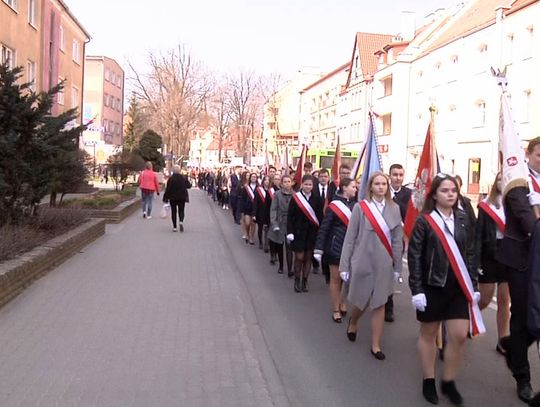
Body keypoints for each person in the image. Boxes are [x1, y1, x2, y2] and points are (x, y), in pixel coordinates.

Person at [408, 174, 478, 405]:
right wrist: (416, 289)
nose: (450, 194)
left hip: (457, 287)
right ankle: (429, 379)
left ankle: (448, 381)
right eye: (445, 190)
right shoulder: (425, 221)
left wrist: (473, 285)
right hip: (431, 286)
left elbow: (469, 254)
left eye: (453, 191)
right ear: (435, 195)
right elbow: (415, 255)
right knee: (429, 334)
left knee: (459, 335)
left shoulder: (463, 219)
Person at [341, 172, 403, 361]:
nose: (381, 187)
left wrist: (398, 268)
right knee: (362, 301)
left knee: (380, 303)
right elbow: (350, 239)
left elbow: (398, 241)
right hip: (362, 261)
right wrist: (344, 265)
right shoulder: (361, 208)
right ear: (370, 187)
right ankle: (354, 320)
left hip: (384, 264)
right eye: (377, 184)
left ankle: (376, 345)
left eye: (384, 183)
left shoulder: (395, 209)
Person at [497, 137, 540, 404]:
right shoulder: (518, 181)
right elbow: (528, 222)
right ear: (528, 154)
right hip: (524, 260)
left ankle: (513, 347)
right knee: (524, 317)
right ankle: (522, 378)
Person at [475, 173, 510, 354]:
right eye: (499, 179)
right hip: (489, 255)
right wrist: (477, 261)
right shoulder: (486, 206)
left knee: (504, 300)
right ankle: (467, 320)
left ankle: (502, 340)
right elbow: (479, 235)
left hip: (509, 255)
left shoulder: (516, 204)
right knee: (485, 299)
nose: (501, 182)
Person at [314, 177, 357, 322]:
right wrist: (319, 248)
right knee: (336, 278)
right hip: (335, 246)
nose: (355, 189)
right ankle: (336, 308)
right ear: (344, 188)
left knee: (347, 278)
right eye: (353, 187)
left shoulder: (356, 205)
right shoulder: (334, 206)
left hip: (351, 248)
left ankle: (343, 301)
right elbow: (324, 227)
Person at [385, 163, 413, 323]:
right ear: (390, 176)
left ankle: (388, 305)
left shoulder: (408, 193)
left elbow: (408, 212)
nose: (398, 178)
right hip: (382, 236)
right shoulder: (382, 189)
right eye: (395, 174)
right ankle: (382, 300)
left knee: (391, 271)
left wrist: (394, 199)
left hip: (399, 238)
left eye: (401, 175)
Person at [287, 174, 323, 292]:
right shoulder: (296, 198)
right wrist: (290, 232)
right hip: (298, 232)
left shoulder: (317, 199)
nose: (308, 187)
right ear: (301, 184)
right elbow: (290, 217)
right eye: (306, 184)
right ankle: (297, 280)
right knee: (299, 257)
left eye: (310, 185)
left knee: (308, 257)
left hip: (312, 233)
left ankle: (305, 281)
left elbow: (320, 217)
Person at [269, 175, 294, 275]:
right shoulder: (277, 194)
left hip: (290, 222)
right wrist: (274, 223)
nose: (287, 184)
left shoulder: (295, 195)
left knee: (289, 246)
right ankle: (281, 266)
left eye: (289, 181)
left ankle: (290, 269)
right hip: (279, 221)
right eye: (285, 182)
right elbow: (273, 209)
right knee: (280, 244)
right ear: (281, 183)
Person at [162, 165, 191, 232]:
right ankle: (181, 221)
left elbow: (168, 189)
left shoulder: (171, 179)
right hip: (182, 197)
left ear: (173, 171)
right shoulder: (183, 178)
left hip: (173, 197)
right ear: (179, 170)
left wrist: (165, 197)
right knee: (181, 210)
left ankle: (174, 227)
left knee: (173, 211)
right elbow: (189, 186)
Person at [312, 169, 330, 275]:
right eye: (321, 176)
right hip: (315, 220)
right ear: (318, 178)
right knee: (315, 243)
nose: (323, 178)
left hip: (327, 221)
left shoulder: (332, 190)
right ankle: (315, 264)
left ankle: (324, 266)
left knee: (325, 244)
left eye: (325, 176)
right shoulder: (313, 190)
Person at [239, 172, 258, 244]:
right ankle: (247, 233)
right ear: (250, 178)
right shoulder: (246, 187)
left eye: (255, 177)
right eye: (252, 177)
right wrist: (242, 208)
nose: (253, 178)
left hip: (255, 209)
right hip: (247, 208)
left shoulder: (259, 188)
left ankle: (251, 238)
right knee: (247, 223)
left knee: (253, 224)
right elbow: (243, 198)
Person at [254, 176, 272, 251]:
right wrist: (254, 213)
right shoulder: (259, 190)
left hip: (268, 212)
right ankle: (261, 242)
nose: (267, 182)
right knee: (260, 227)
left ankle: (267, 243)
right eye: (265, 180)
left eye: (268, 180)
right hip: (260, 211)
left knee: (268, 228)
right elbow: (256, 202)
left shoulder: (272, 190)